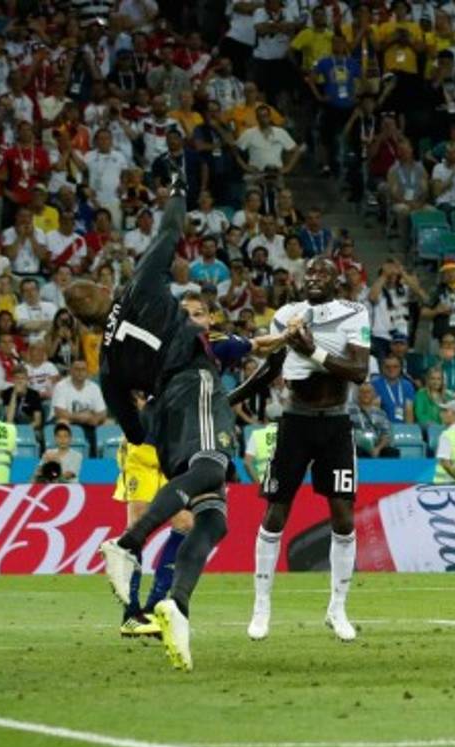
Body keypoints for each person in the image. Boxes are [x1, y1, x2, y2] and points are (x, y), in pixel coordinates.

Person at [70, 181, 295, 671]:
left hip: (166, 416)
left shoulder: (107, 365)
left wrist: (156, 418)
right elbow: (171, 229)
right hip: (192, 382)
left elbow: (133, 431)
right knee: (212, 466)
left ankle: (176, 603)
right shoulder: (140, 286)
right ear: (105, 291)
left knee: (213, 518)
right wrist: (176, 189)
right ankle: (128, 545)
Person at [245, 256, 372, 643]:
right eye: (310, 273)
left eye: (323, 273)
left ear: (337, 281)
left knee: (343, 516)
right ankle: (261, 607)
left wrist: (313, 351)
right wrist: (232, 397)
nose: (314, 278)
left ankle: (338, 608)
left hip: (335, 423)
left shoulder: (354, 313)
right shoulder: (286, 315)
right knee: (276, 511)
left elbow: (359, 371)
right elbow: (271, 367)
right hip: (295, 422)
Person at [111, 434, 194, 638]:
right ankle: (131, 613)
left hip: (172, 453)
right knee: (136, 528)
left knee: (185, 523)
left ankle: (154, 607)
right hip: (142, 451)